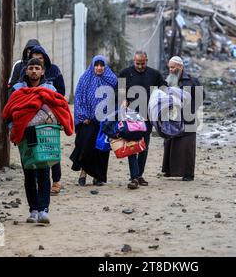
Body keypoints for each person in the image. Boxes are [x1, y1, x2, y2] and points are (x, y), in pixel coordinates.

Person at [8, 58, 57, 224]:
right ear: (26, 71)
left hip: (45, 135)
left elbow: (58, 108)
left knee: (44, 172)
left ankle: (44, 210)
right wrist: (13, 129)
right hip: (25, 135)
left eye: (37, 68)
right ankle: (33, 210)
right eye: (31, 68)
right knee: (29, 173)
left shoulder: (49, 88)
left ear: (43, 71)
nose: (34, 71)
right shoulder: (17, 89)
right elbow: (9, 112)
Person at [118, 51, 166, 189]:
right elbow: (119, 90)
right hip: (131, 116)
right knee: (132, 146)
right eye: (137, 63)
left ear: (147, 60)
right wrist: (123, 100)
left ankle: (139, 175)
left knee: (144, 146)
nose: (140, 66)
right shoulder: (125, 73)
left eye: (142, 63)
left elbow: (163, 87)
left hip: (148, 115)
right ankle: (134, 177)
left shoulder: (154, 74)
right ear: (133, 61)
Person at [70, 55, 118, 187]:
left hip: (105, 120)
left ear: (105, 66)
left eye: (102, 65)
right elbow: (79, 98)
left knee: (102, 149)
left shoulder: (112, 80)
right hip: (88, 120)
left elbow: (117, 98)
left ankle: (98, 177)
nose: (99, 68)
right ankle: (83, 173)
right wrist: (83, 116)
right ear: (92, 65)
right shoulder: (85, 79)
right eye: (96, 65)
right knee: (86, 146)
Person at [27, 46, 66, 196]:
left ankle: (56, 181)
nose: (35, 70)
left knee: (51, 150)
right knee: (34, 151)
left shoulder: (53, 72)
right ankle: (39, 183)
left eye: (40, 59)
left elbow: (60, 93)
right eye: (34, 58)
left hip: (49, 119)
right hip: (31, 121)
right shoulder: (25, 79)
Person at [162, 56, 203, 181]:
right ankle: (169, 171)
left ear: (181, 67)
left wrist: (190, 109)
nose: (171, 70)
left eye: (173, 67)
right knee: (170, 143)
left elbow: (201, 97)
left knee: (187, 147)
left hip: (188, 118)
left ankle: (188, 174)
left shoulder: (191, 80)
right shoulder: (168, 80)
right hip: (172, 116)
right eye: (169, 67)